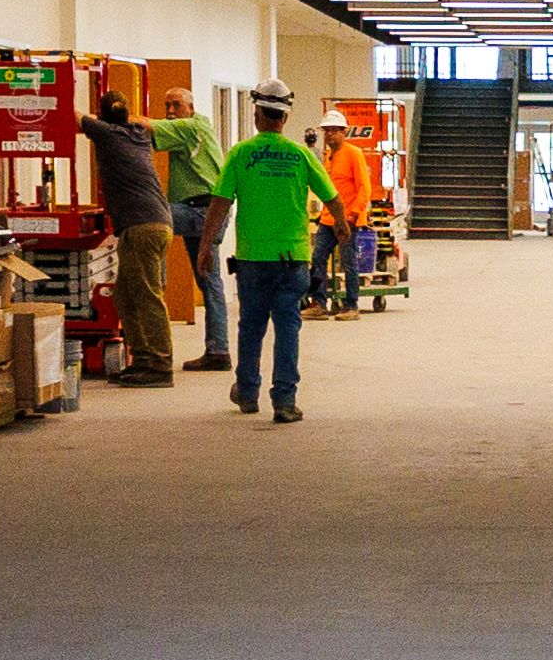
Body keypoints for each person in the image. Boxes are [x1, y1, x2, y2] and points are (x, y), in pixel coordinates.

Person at [212, 86, 334, 420]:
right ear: (285, 117)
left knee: (251, 327)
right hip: (293, 258)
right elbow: (332, 197)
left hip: (253, 258)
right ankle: (284, 401)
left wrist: (207, 244)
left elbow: (220, 202)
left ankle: (247, 393)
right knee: (288, 327)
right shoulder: (301, 155)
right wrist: (342, 226)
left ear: (256, 115)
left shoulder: (241, 153)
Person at [80, 85, 177, 389]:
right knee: (124, 294)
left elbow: (75, 117)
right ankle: (143, 358)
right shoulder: (139, 134)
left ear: (103, 117)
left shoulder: (108, 135)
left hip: (142, 226)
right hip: (153, 223)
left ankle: (160, 364)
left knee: (147, 295)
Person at [145, 88, 234, 372]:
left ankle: (155, 286)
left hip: (201, 211)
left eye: (176, 105)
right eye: (167, 105)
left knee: (148, 222)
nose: (170, 111)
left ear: (191, 108)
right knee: (210, 281)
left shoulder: (190, 127)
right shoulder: (199, 125)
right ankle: (218, 350)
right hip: (208, 211)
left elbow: (144, 126)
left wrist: (103, 119)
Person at [316, 120, 381, 316]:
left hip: (347, 220)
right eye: (327, 131)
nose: (329, 134)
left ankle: (351, 305)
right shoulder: (328, 156)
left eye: (334, 131)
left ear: (344, 132)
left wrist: (353, 215)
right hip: (328, 218)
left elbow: (364, 188)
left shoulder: (353, 154)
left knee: (348, 261)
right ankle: (319, 303)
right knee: (317, 258)